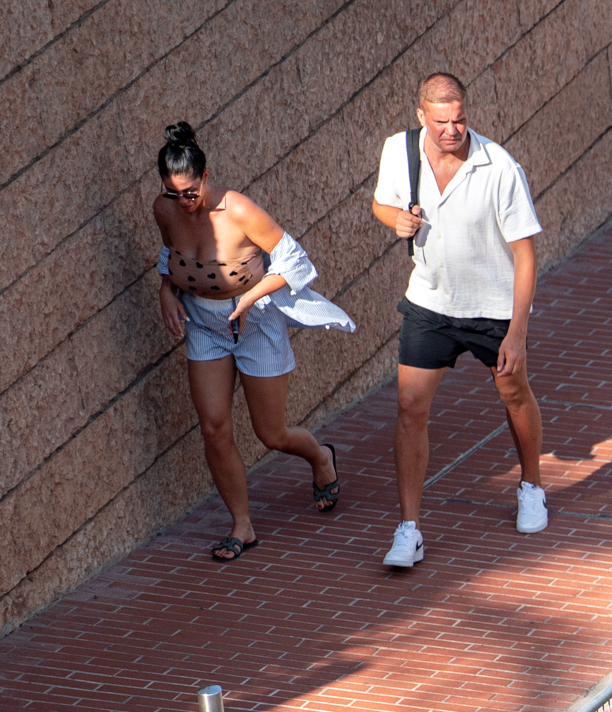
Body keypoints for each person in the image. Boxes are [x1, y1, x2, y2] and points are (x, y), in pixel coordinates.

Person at [151, 122, 353, 560]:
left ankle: (320, 457)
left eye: (190, 192)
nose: (183, 202)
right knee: (214, 427)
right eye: (173, 192)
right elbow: (170, 258)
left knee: (272, 433)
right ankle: (242, 526)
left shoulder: (237, 210)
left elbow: (296, 262)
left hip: (255, 319)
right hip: (205, 325)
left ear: (206, 178)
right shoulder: (165, 210)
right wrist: (166, 290)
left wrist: (250, 298)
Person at [369, 72, 547, 570]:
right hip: (430, 304)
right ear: (421, 116)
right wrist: (395, 220)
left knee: (514, 393)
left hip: (492, 308)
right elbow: (382, 202)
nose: (453, 130)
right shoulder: (398, 151)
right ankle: (409, 529)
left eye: (461, 119)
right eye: (442, 121)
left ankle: (531, 485)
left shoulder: (499, 167)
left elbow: (526, 255)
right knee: (410, 407)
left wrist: (517, 332)